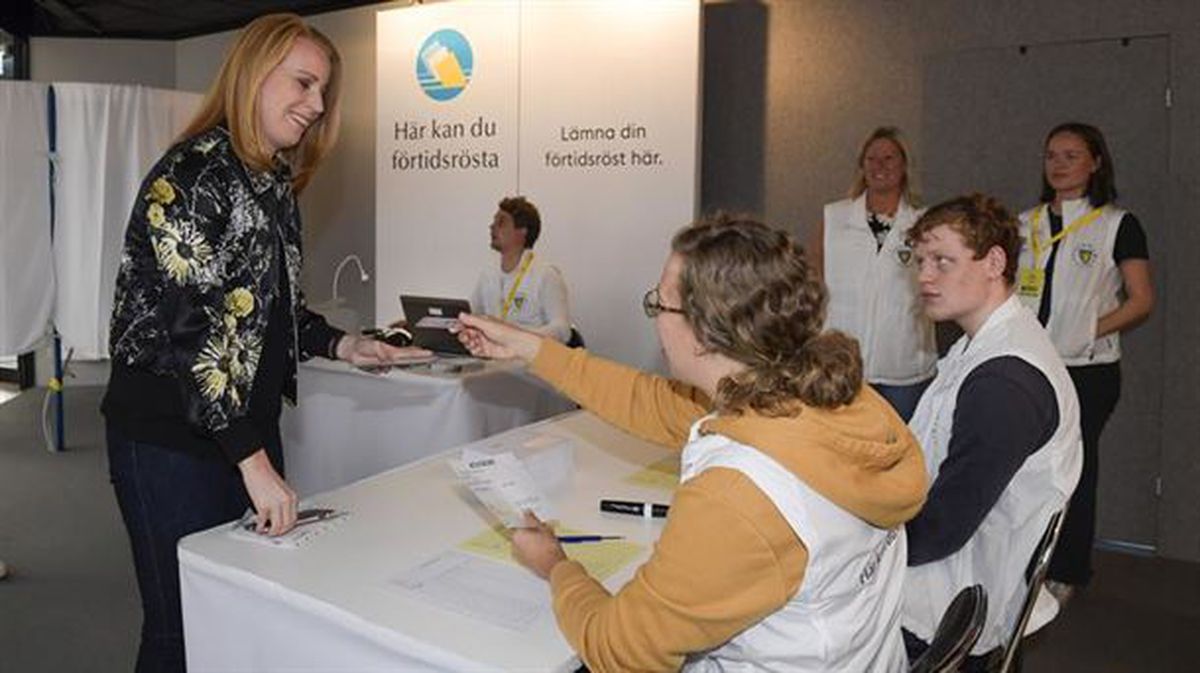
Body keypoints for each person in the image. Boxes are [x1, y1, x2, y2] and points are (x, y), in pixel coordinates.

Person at [101, 14, 428, 672]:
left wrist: (346, 345)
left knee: (236, 611)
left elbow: (266, 310)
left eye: (323, 93)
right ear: (254, 74)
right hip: (169, 438)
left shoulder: (272, 182)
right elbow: (191, 332)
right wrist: (253, 462)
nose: (316, 105)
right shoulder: (193, 175)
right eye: (304, 83)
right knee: (180, 626)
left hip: (240, 430)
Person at [455, 215, 927, 672]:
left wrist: (556, 565)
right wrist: (528, 349)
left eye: (659, 305)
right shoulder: (835, 399)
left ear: (705, 332)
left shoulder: (740, 493)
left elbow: (621, 651)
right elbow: (649, 401)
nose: (655, 319)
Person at [901, 194, 1082, 669]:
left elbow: (943, 529)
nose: (924, 276)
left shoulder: (1005, 380)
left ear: (994, 262)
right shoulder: (980, 345)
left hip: (955, 601)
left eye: (943, 260)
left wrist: (858, 549)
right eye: (919, 261)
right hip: (959, 568)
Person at [1017, 123, 1154, 604]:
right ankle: (1022, 557)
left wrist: (1082, 332)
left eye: (1071, 155)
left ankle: (1069, 567)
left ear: (1095, 162)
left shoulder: (1116, 223)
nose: (1058, 164)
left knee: (1075, 467)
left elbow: (1141, 301)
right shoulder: (1025, 224)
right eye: (1051, 154)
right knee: (1025, 466)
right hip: (1031, 365)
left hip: (1088, 371)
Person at [813, 127, 936, 420]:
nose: (880, 166)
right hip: (842, 368)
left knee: (898, 455)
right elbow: (811, 279)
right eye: (872, 159)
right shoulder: (834, 217)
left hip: (904, 371)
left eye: (889, 158)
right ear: (861, 166)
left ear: (904, 165)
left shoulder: (924, 222)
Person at [470, 196, 573, 343]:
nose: (492, 227)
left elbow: (562, 331)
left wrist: (513, 335)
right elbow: (471, 315)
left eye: (501, 222)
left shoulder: (546, 275)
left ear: (523, 231)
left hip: (528, 363)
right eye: (493, 221)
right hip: (491, 362)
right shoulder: (488, 273)